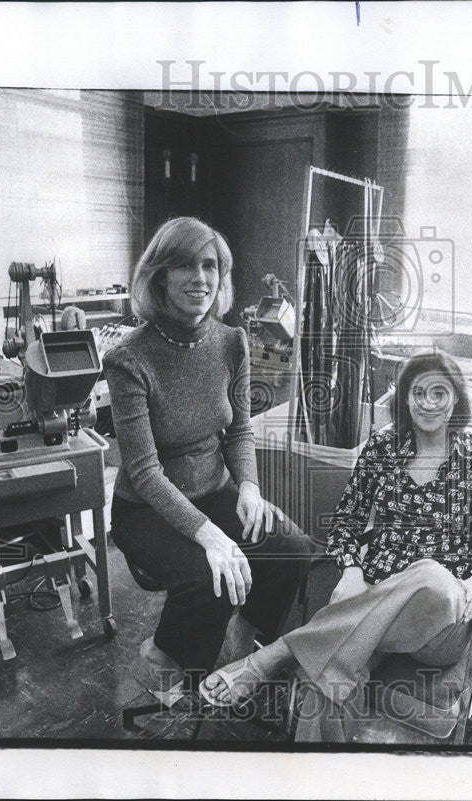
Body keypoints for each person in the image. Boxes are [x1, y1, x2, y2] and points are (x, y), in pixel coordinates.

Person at [201, 351, 472, 741]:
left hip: (438, 620)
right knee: (323, 686)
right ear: (404, 398)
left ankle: (278, 652)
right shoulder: (382, 449)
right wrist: (353, 569)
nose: (428, 402)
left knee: (434, 579)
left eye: (440, 393)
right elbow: (346, 522)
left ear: (457, 399)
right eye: (417, 392)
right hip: (372, 598)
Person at [104, 216, 311, 698]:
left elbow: (238, 430)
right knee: (209, 577)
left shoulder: (231, 341)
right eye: (185, 266)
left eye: (210, 265)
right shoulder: (129, 358)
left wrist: (251, 490)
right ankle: (165, 667)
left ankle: (242, 648)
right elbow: (144, 472)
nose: (200, 278)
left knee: (291, 549)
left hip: (215, 491)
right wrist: (212, 536)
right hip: (147, 510)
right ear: (159, 275)